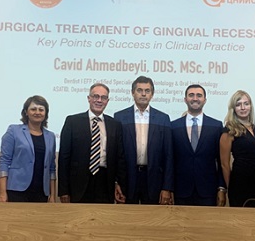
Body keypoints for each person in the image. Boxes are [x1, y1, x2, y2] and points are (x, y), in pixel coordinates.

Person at [58, 83, 127, 204]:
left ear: (107, 101)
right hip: (78, 184)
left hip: (105, 182)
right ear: (89, 98)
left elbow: (119, 158)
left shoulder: (115, 125)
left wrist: (119, 183)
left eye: (103, 97)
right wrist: (63, 190)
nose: (99, 100)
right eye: (96, 96)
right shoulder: (72, 122)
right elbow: (64, 158)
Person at [114, 76, 174, 205]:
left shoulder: (163, 118)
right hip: (127, 179)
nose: (143, 94)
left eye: (147, 91)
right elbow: (116, 154)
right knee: (127, 216)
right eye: (139, 90)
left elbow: (168, 155)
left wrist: (167, 187)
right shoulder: (119, 117)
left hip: (154, 180)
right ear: (132, 93)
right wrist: (116, 182)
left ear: (152, 94)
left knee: (152, 216)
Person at [171, 84, 226, 206]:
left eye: (199, 95)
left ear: (205, 100)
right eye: (191, 95)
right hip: (181, 190)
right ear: (185, 99)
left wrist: (221, 188)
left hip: (208, 190)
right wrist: (168, 188)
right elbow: (170, 160)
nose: (195, 98)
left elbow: (221, 160)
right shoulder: (173, 126)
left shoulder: (216, 126)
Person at [0, 95, 57, 203]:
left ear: (45, 113)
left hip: (41, 192)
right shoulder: (14, 131)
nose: (37, 112)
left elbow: (52, 168)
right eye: (33, 109)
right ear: (26, 112)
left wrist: (52, 195)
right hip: (17, 190)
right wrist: (2, 193)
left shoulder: (51, 136)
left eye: (41, 109)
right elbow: (4, 161)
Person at [220, 90, 255, 208]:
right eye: (238, 104)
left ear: (251, 106)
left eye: (246, 104)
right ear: (233, 108)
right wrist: (230, 187)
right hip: (239, 182)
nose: (243, 108)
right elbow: (224, 164)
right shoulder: (229, 131)